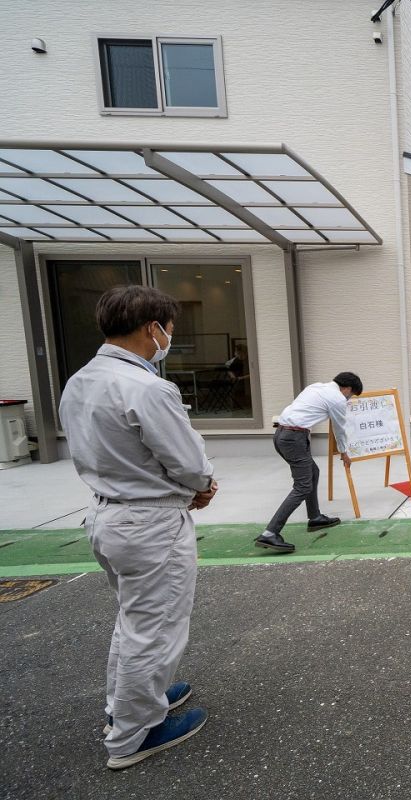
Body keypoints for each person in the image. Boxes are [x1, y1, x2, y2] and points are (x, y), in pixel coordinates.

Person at [59, 285, 215, 770]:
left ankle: (128, 705)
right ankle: (131, 736)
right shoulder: (147, 387)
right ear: (154, 329)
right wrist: (204, 484)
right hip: (150, 521)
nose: (169, 337)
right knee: (156, 626)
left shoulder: (81, 379)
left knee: (135, 621)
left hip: (107, 514)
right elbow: (187, 461)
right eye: (169, 329)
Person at [256, 372, 363, 553]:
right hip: (294, 438)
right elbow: (339, 428)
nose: (349, 399)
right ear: (348, 389)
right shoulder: (337, 398)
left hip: (282, 435)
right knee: (303, 486)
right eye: (351, 395)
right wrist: (344, 452)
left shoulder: (316, 387)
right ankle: (270, 533)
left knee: (313, 472)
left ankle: (314, 517)